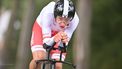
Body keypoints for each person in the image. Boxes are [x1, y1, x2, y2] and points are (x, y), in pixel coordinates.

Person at [29, 0, 79, 69]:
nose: (62, 23)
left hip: (59, 34)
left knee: (58, 65)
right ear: (55, 15)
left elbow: (63, 46)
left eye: (66, 20)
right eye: (60, 18)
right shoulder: (48, 13)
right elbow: (46, 44)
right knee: (39, 58)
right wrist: (54, 38)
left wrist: (63, 42)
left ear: (71, 18)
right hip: (41, 29)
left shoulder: (75, 20)